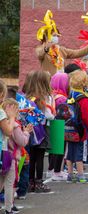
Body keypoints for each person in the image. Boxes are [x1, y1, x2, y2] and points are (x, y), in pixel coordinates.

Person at [25, 70, 54, 193]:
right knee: (40, 157)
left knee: (31, 156)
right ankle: (39, 182)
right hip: (42, 130)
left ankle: (30, 181)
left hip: (30, 130)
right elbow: (49, 116)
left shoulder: (27, 97)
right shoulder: (46, 97)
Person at [66, 70, 88, 184]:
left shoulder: (71, 96)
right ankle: (81, 175)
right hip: (80, 130)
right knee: (79, 153)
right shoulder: (84, 99)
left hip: (69, 128)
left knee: (69, 152)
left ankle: (70, 174)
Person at [4, 98, 33, 214]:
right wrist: (26, 132)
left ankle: (10, 205)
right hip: (11, 157)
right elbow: (22, 141)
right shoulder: (15, 125)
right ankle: (8, 207)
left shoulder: (4, 123)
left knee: (4, 182)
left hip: (3, 154)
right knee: (11, 183)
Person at [0, 81, 19, 214]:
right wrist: (11, 118)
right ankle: (8, 208)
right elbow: (8, 131)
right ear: (1, 94)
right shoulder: (0, 112)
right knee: (8, 179)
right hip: (2, 151)